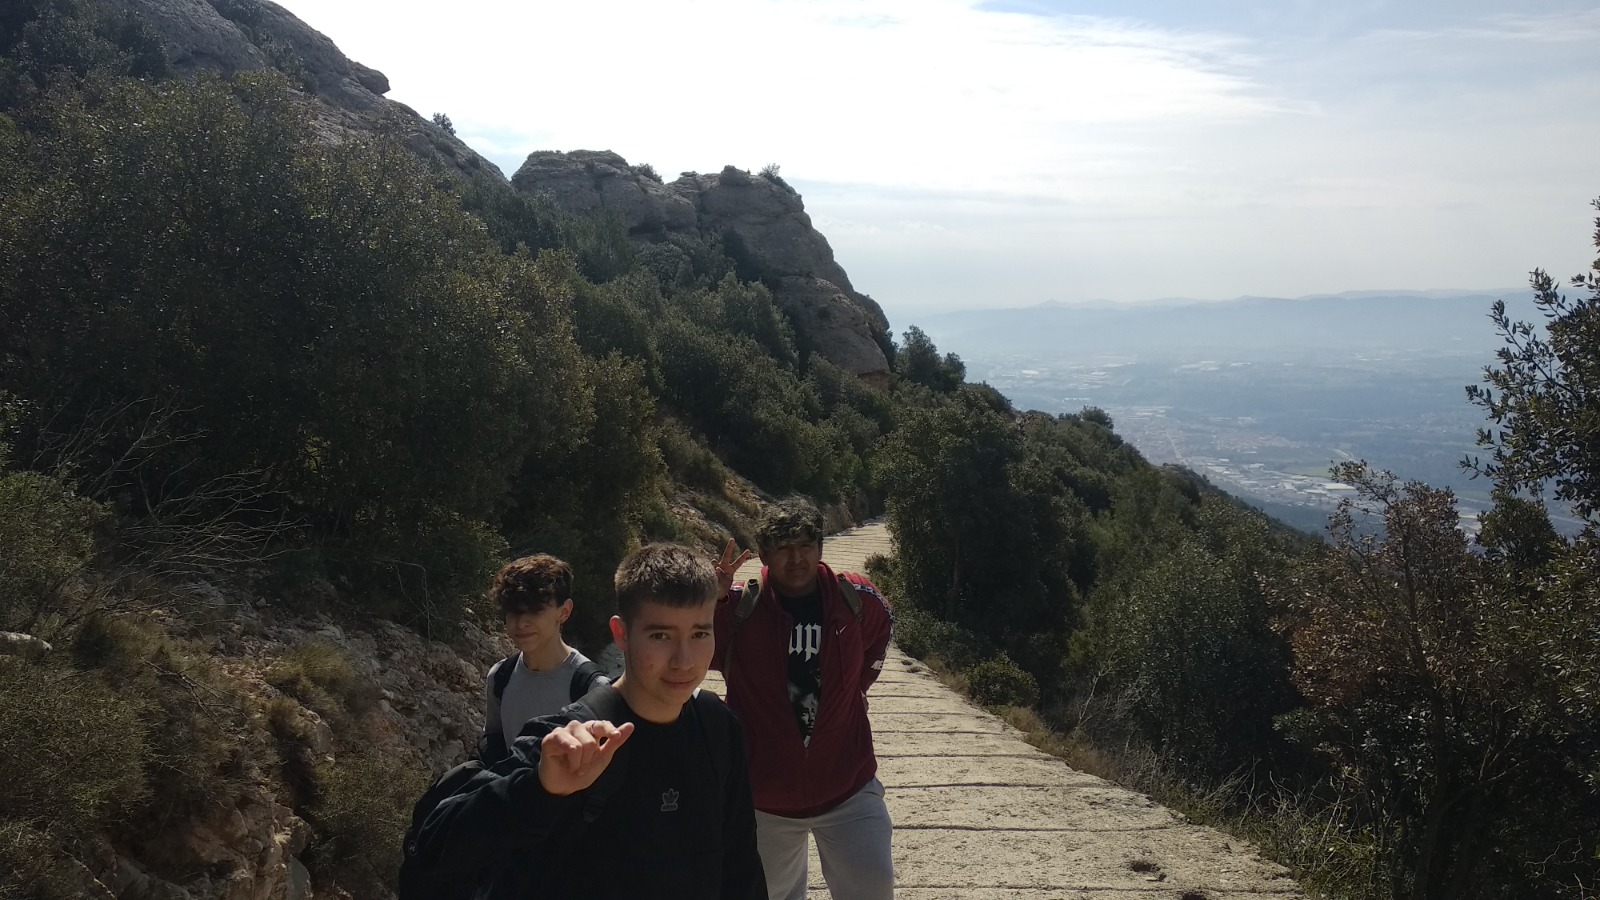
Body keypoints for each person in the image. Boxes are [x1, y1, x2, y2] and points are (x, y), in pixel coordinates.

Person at [410, 543, 767, 900]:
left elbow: (741, 867)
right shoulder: (569, 740)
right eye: (660, 635)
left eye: (699, 634)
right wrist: (539, 789)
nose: (684, 660)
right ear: (621, 634)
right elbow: (434, 845)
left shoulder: (716, 727)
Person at [712, 499, 895, 900]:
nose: (796, 559)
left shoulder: (856, 599)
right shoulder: (738, 609)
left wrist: (856, 688)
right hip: (763, 799)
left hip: (849, 786)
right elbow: (690, 654)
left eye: (805, 546)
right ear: (764, 555)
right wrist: (712, 602)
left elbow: (881, 631)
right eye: (783, 548)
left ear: (820, 547)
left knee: (874, 888)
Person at [477, 554, 609, 765]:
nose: (521, 623)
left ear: (564, 612)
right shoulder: (500, 677)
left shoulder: (593, 688)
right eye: (513, 612)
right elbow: (492, 746)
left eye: (535, 610)